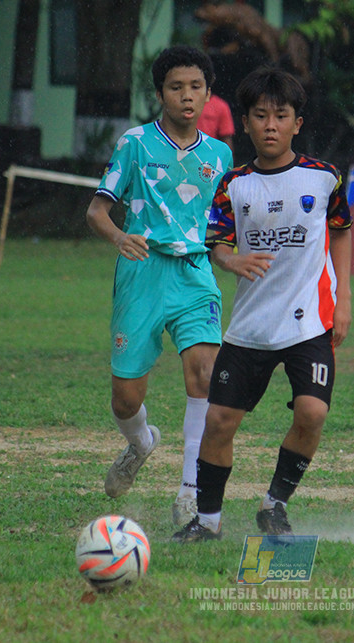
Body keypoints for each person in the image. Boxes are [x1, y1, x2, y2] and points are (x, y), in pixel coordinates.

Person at [172, 66, 352, 542]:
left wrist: (345, 296)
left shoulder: (324, 178)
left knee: (312, 413)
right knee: (219, 421)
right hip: (250, 326)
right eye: (260, 116)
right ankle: (207, 522)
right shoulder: (233, 185)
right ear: (246, 123)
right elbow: (216, 244)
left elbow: (341, 230)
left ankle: (275, 504)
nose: (270, 125)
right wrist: (232, 262)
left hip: (309, 323)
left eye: (281, 115)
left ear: (297, 122)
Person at [85, 46, 234, 527]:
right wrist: (119, 236)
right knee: (125, 397)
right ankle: (140, 441)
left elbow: (224, 222)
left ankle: (190, 491)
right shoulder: (135, 144)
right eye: (176, 87)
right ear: (159, 94)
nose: (186, 96)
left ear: (208, 94)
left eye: (195, 87)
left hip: (194, 273)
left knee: (205, 374)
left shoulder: (220, 155)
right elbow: (96, 212)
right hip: (142, 272)